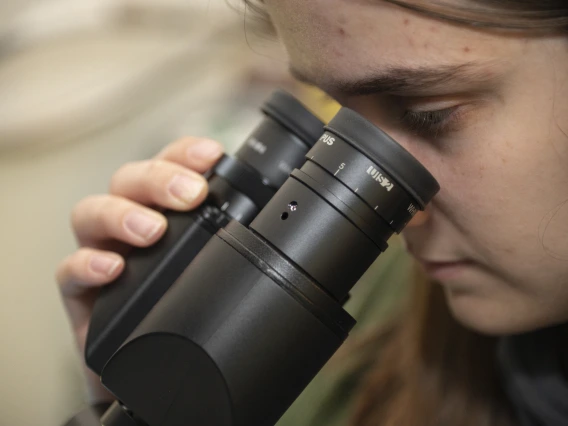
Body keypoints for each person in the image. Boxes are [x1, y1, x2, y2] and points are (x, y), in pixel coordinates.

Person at [56, 1, 568, 425]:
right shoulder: (377, 326)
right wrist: (136, 403)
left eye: (427, 113)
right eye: (338, 118)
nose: (399, 217)